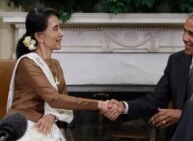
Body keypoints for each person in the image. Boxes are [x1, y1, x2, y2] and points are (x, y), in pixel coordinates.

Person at [102, 9, 193, 141]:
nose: (184, 38)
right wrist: (123, 106)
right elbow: (156, 99)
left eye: (192, 34)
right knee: (191, 109)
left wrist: (184, 114)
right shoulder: (177, 61)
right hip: (186, 132)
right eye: (184, 31)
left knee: (192, 107)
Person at [6, 7, 115, 141]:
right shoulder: (28, 63)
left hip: (44, 124)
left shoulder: (55, 64)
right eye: (56, 28)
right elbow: (54, 99)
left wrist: (52, 116)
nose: (61, 33)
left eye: (60, 27)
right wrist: (99, 104)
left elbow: (62, 98)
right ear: (40, 36)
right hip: (23, 124)